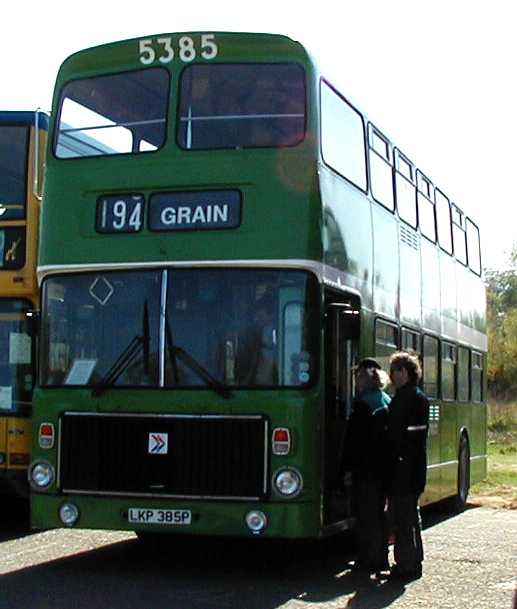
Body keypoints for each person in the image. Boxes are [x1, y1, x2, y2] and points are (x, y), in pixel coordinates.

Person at [342, 357, 391, 576]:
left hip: (365, 470)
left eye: (359, 375)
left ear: (368, 377)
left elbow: (354, 441)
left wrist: (348, 469)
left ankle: (365, 559)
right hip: (382, 469)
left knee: (364, 516)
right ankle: (380, 557)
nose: (356, 380)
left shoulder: (363, 405)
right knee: (379, 515)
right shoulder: (386, 400)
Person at [387, 351, 430, 581]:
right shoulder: (417, 397)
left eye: (395, 370)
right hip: (412, 469)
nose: (392, 376)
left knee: (405, 519)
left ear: (405, 372)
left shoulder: (406, 399)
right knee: (410, 517)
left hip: (404, 470)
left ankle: (407, 565)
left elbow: (400, 439)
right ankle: (412, 561)